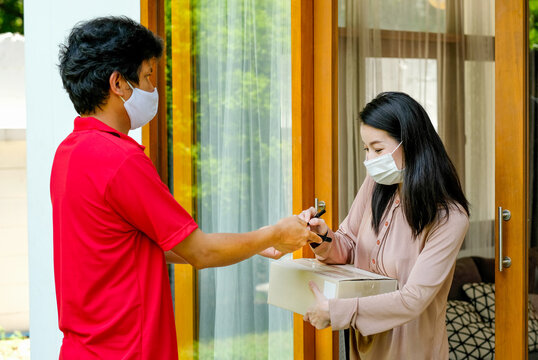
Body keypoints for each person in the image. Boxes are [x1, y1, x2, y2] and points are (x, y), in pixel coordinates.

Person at [51, 16, 319, 359]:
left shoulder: (69, 152)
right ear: (118, 83)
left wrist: (259, 241)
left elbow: (141, 246)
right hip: (128, 351)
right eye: (148, 76)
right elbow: (200, 252)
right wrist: (273, 234)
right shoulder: (120, 159)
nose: (152, 89)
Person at [300, 92, 470, 360]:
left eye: (378, 149)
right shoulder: (376, 186)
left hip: (412, 349)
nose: (369, 160)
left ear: (411, 143)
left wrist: (337, 311)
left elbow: (414, 298)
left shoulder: (449, 217)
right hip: (365, 344)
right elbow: (348, 244)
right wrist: (322, 237)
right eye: (366, 149)